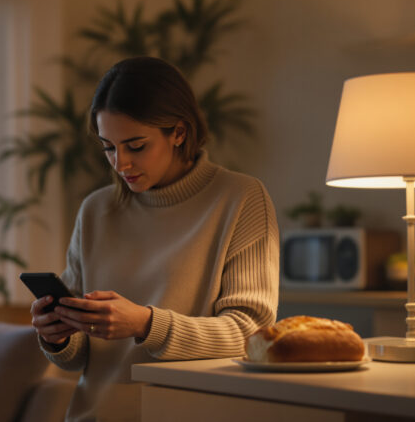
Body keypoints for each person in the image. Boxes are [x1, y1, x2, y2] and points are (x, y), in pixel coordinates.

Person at [30, 56, 279, 422]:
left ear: (178, 132)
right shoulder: (96, 210)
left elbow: (251, 334)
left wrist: (147, 324)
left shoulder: (240, 198)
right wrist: (58, 336)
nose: (120, 164)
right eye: (109, 147)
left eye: (136, 146)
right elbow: (77, 358)